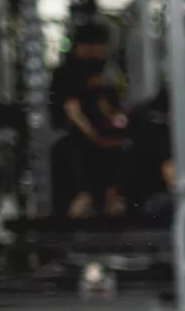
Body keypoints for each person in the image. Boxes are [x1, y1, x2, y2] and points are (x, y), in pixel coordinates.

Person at [50, 18, 130, 217]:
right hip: (77, 141)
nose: (100, 53)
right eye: (97, 47)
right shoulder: (67, 74)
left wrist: (112, 131)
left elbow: (111, 107)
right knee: (80, 191)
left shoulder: (105, 72)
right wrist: (94, 136)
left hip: (102, 139)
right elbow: (72, 110)